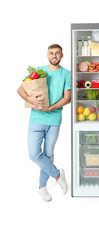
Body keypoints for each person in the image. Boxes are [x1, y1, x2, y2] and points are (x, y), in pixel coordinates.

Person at [17, 44, 71, 201]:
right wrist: (29, 98)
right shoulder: (39, 71)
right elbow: (20, 89)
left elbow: (67, 98)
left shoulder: (66, 74)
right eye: (51, 53)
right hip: (36, 118)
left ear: (62, 55)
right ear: (47, 55)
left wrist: (51, 108)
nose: (54, 56)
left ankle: (42, 187)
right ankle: (58, 175)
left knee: (48, 154)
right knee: (34, 154)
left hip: (54, 119)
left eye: (57, 53)